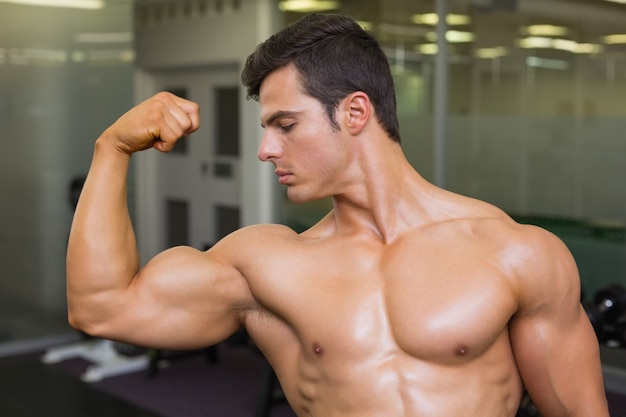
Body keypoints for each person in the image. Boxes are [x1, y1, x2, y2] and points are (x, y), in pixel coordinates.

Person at [66, 13, 609, 417]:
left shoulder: (515, 252)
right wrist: (110, 150)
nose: (266, 150)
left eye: (286, 125)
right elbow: (103, 310)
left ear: (354, 111)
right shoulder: (265, 263)